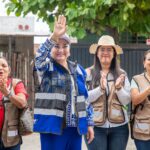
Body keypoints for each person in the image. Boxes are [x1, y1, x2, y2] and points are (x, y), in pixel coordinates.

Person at [33, 15, 94, 150]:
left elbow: (85, 99)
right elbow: (38, 58)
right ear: (51, 49)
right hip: (52, 127)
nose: (61, 50)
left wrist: (89, 123)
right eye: (56, 46)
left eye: (65, 46)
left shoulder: (78, 69)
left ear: (70, 50)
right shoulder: (45, 67)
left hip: (75, 129)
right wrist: (54, 36)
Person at [84, 35, 131, 150]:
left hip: (119, 128)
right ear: (97, 53)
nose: (106, 52)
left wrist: (119, 88)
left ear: (114, 53)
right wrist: (100, 89)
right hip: (94, 126)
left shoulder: (122, 74)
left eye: (109, 49)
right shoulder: (87, 73)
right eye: (102, 49)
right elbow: (83, 98)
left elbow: (126, 100)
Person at [0, 56, 28, 150]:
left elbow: (22, 103)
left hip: (10, 139)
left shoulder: (16, 83)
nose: (0, 68)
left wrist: (7, 93)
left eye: (4, 65)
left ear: (9, 70)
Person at [130, 50, 150, 150]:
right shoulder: (136, 79)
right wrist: (148, 90)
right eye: (149, 59)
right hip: (142, 131)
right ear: (144, 63)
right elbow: (135, 100)